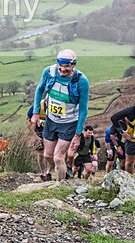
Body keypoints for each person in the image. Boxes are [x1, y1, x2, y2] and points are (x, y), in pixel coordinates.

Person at [30, 49, 90, 181]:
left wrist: (78, 134)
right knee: (47, 155)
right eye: (60, 66)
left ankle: (60, 184)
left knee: (58, 158)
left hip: (69, 123)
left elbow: (83, 109)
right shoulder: (49, 72)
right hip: (51, 120)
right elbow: (40, 89)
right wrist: (35, 113)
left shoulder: (81, 81)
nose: (63, 69)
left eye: (67, 66)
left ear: (73, 65)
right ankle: (64, 172)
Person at [27, 105, 51, 181]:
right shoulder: (35, 108)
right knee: (40, 154)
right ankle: (43, 173)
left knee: (50, 154)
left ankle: (48, 172)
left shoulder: (54, 106)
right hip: (39, 132)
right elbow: (28, 124)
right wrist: (36, 137)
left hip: (50, 133)